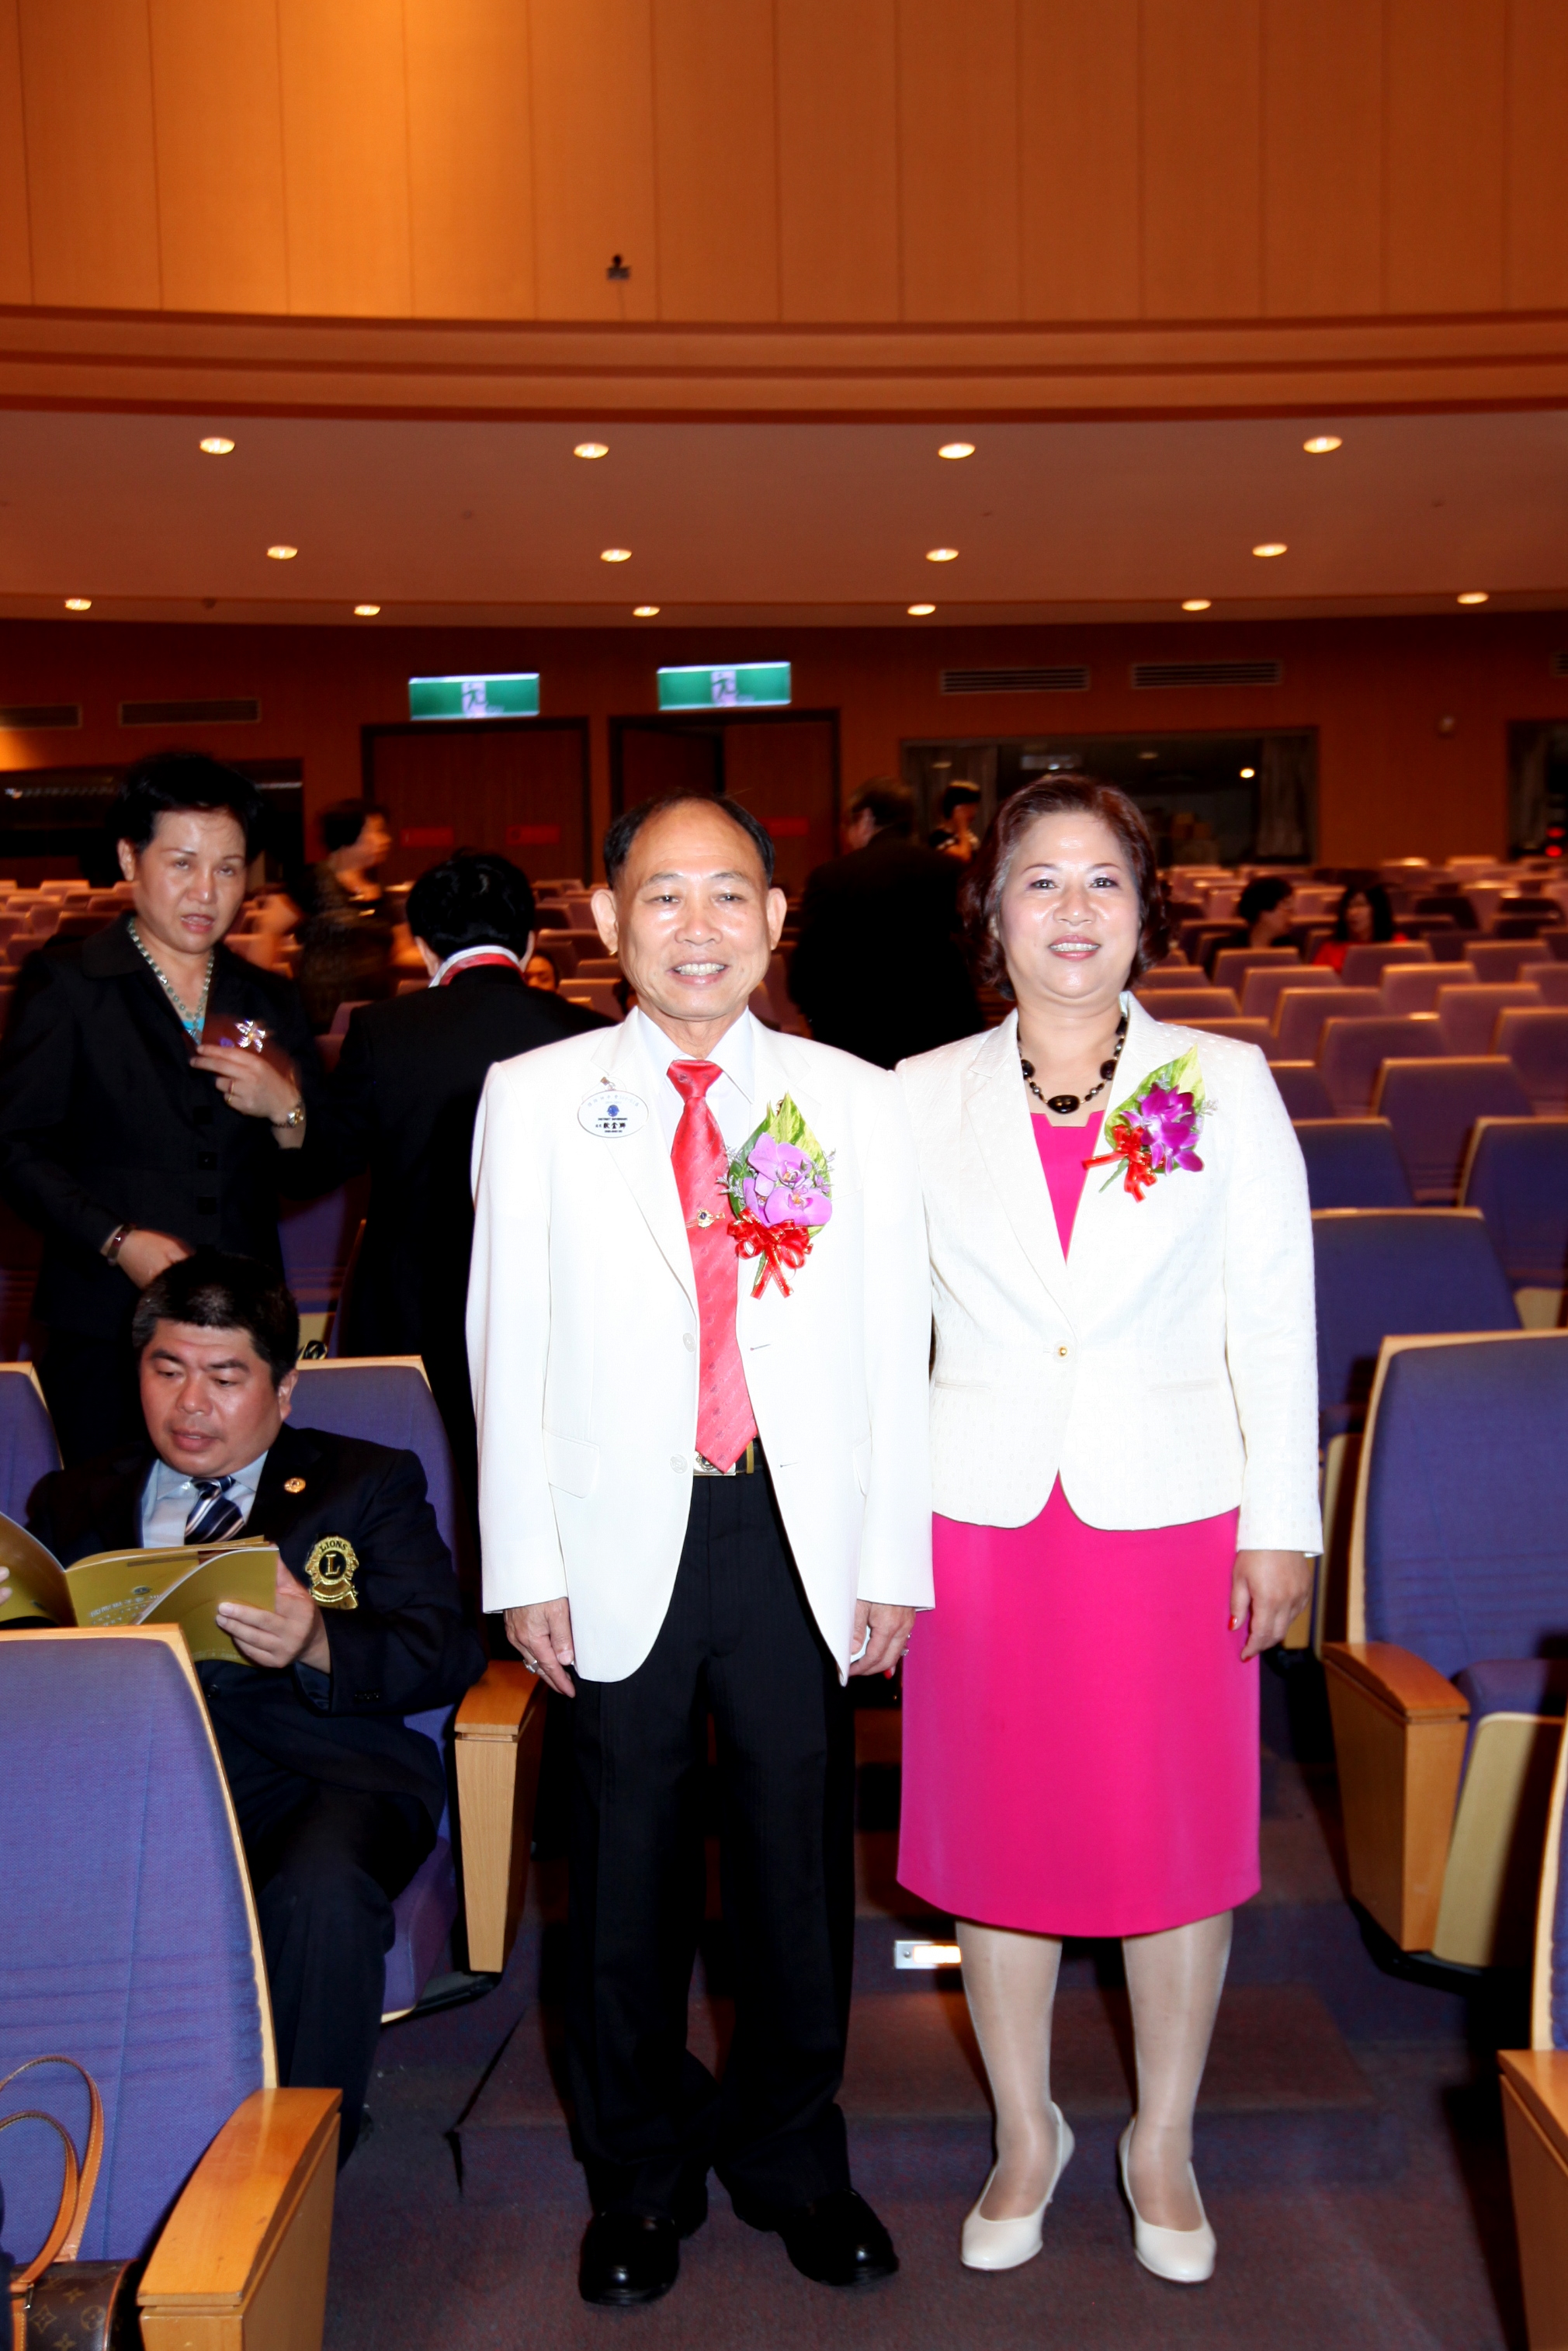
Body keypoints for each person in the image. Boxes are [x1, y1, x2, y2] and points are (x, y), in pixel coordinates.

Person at [467, 792, 932, 2307]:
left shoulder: (850, 1098)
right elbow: (503, 1340)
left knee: (797, 1865)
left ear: (776, 918)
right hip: (615, 1530)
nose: (696, 926)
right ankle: (639, 2174)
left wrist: (890, 1554)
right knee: (622, 1875)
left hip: (793, 1528)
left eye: (728, 893)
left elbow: (891, 1345)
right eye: (661, 895)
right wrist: (524, 1558)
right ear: (608, 920)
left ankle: (794, 2156)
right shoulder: (535, 1094)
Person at [895, 778, 1319, 2285]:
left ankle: (1160, 2136)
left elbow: (1275, 1315)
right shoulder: (916, 1094)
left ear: (1142, 911)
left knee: (1171, 1839)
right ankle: (1028, 2129)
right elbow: (881, 1344)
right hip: (981, 1521)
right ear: (991, 910)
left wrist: (1282, 1522)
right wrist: (879, 1545)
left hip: (1172, 1520)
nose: (1071, 909)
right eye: (1039, 879)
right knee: (997, 1835)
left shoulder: (1225, 1080)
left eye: (1102, 881)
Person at [28, 1249, 487, 2161]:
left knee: (321, 1889)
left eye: (225, 1376)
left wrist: (318, 1640)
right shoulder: (75, 1496)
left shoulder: (366, 1481)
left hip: (319, 1774)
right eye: (167, 1369)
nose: (190, 1403)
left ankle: (294, 2172)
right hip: (132, 1778)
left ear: (282, 1389)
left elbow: (445, 1647)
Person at [0, 752, 326, 1465]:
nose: (206, 891)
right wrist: (119, 1240)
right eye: (182, 864)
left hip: (243, 1329)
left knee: (242, 1515)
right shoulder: (70, 983)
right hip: (105, 1319)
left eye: (228, 869)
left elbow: (312, 1172)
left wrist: (288, 1110)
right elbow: (15, 1150)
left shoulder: (266, 998)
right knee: (107, 1513)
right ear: (130, 858)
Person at [319, 852, 605, 1524]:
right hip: (553, 1303)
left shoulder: (382, 1029)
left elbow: (321, 1164)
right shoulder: (590, 1033)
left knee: (409, 1499)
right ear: (531, 941)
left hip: (410, 1304)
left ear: (423, 947)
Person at [787, 778, 981, 1066]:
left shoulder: (831, 877)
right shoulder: (951, 870)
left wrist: (817, 1022)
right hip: (944, 1035)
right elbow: (976, 950)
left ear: (866, 818)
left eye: (848, 824)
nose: (847, 835)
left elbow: (808, 972)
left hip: (858, 1040)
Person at [294, 801, 406, 1032]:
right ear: (348, 834)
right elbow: (267, 930)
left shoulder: (379, 892)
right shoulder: (312, 882)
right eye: (377, 832)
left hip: (373, 1012)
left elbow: (401, 951)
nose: (386, 840)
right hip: (322, 1015)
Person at [1312, 879, 1403, 972]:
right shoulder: (1330, 949)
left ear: (1377, 909)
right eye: (1349, 906)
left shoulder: (1397, 945)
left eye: (1360, 905)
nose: (1352, 913)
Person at [1236, 874, 1295, 948]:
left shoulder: (1292, 947)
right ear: (1263, 909)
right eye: (1286, 905)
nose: (1292, 912)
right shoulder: (1228, 949)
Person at [930, 779, 982, 862]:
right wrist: (962, 825)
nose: (974, 811)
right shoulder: (938, 838)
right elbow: (963, 858)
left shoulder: (968, 836)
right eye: (970, 807)